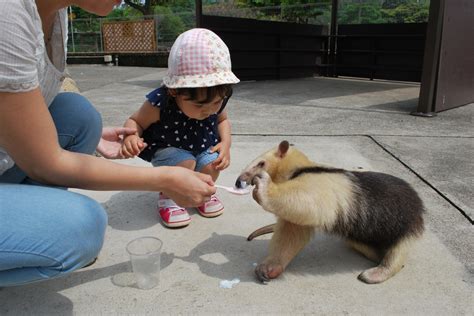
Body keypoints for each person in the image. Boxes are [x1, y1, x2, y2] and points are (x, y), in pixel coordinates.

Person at [0, 0, 216, 287]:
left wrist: (95, 137)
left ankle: (31, 229)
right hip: (28, 160)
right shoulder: (8, 14)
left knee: (80, 115)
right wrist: (163, 178)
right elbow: (45, 163)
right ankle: (43, 234)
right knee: (82, 229)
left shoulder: (56, 11)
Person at [121, 28, 240, 228]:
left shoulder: (217, 98)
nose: (209, 111)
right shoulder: (161, 103)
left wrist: (226, 144)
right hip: (170, 150)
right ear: (175, 91)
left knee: (212, 164)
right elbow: (136, 121)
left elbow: (222, 121)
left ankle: (202, 192)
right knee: (185, 162)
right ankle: (169, 196)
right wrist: (131, 137)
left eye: (217, 103)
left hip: (201, 146)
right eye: (199, 105)